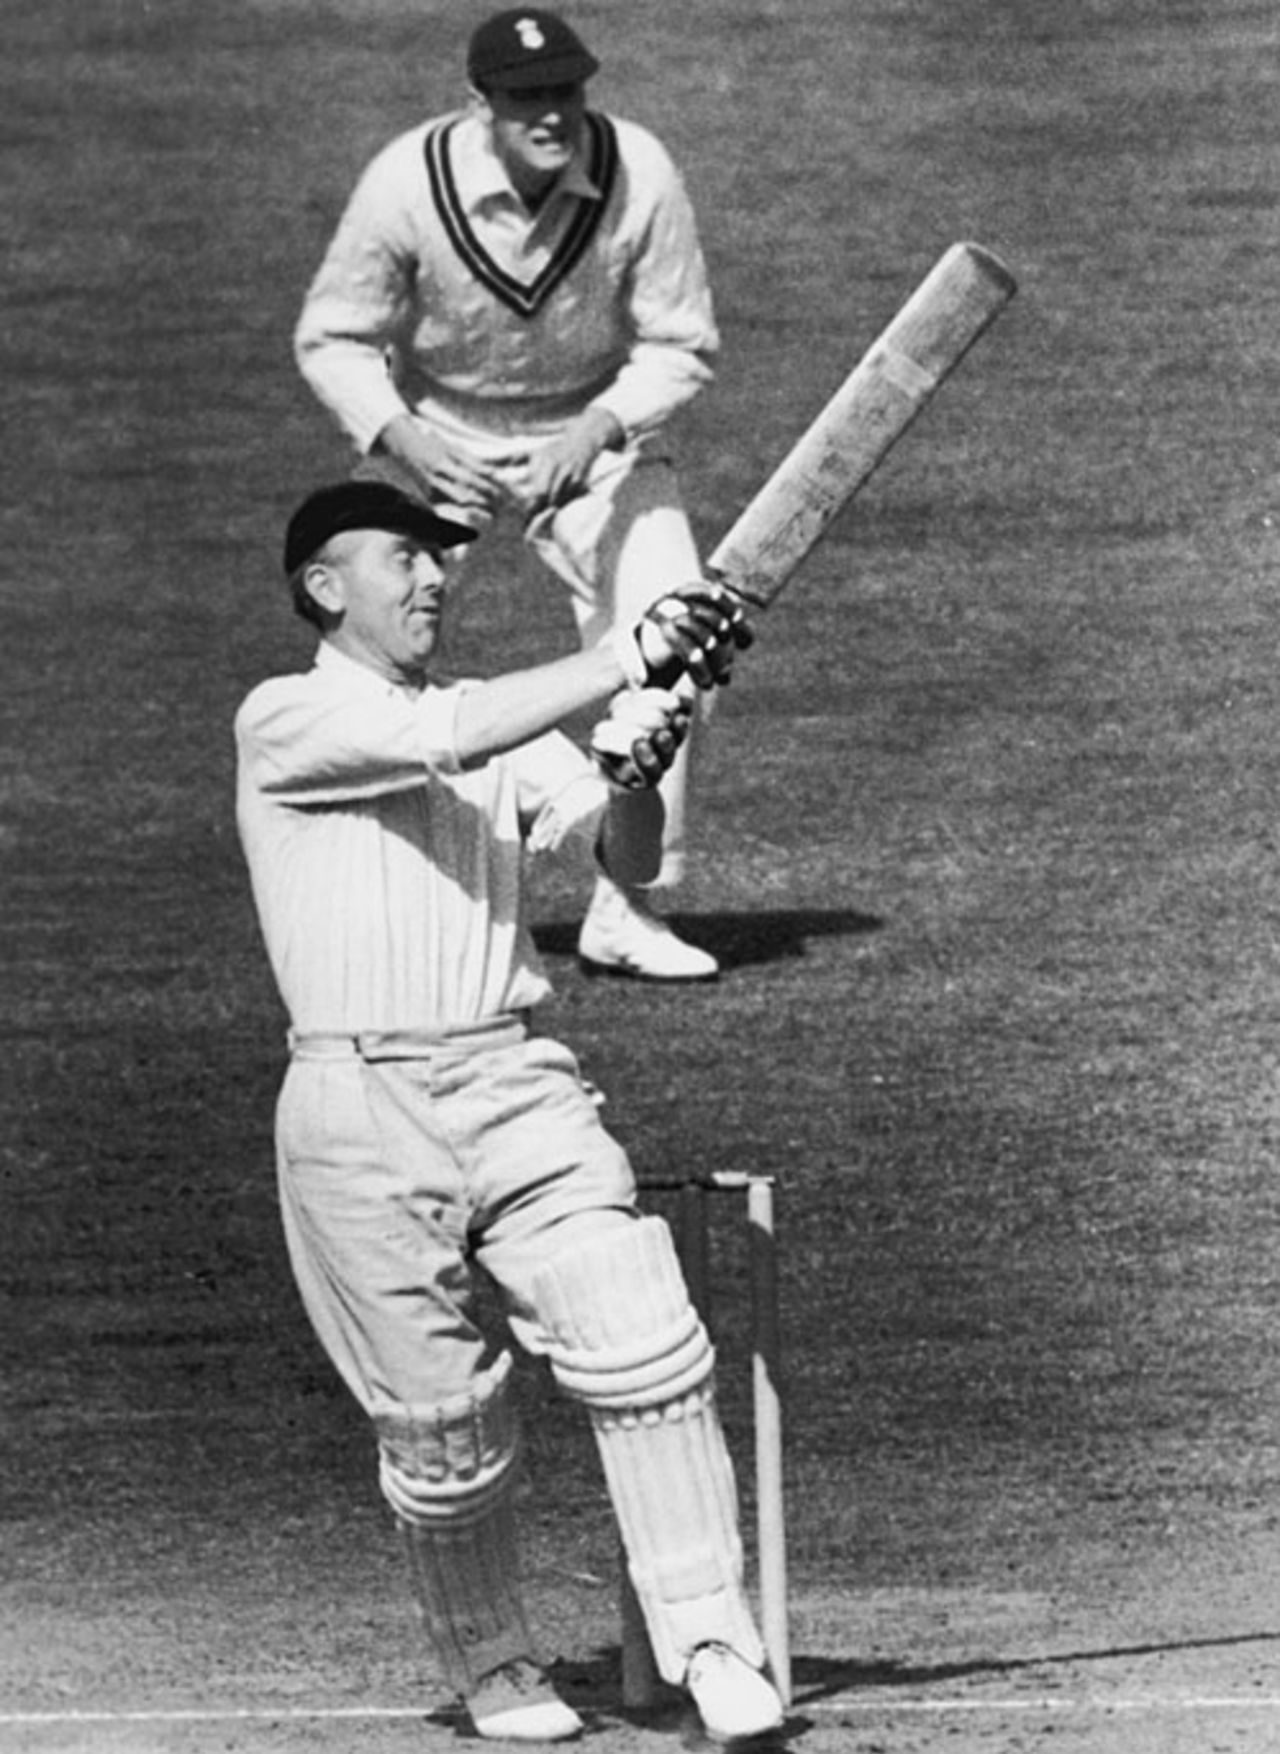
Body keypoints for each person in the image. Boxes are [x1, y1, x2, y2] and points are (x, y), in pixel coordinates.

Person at [234, 476, 783, 1743]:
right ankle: (493, 1664)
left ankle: (709, 1640)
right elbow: (444, 743)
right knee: (440, 1426)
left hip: (511, 1076)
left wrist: (640, 765)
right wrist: (620, 651)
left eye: (440, 560)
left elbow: (623, 857)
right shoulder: (284, 717)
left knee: (641, 1333)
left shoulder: (493, 722)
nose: (433, 578)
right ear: (324, 586)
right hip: (355, 1099)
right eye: (401, 558)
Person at [293, 6, 724, 983]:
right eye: (526, 97)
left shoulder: (638, 170)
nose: (550, 114)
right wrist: (399, 434)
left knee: (673, 636)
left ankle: (626, 904)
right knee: (362, 653)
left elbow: (680, 341)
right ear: (480, 103)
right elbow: (333, 335)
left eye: (564, 92)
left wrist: (597, 428)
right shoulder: (406, 181)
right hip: (434, 433)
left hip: (596, 439)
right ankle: (362, 893)